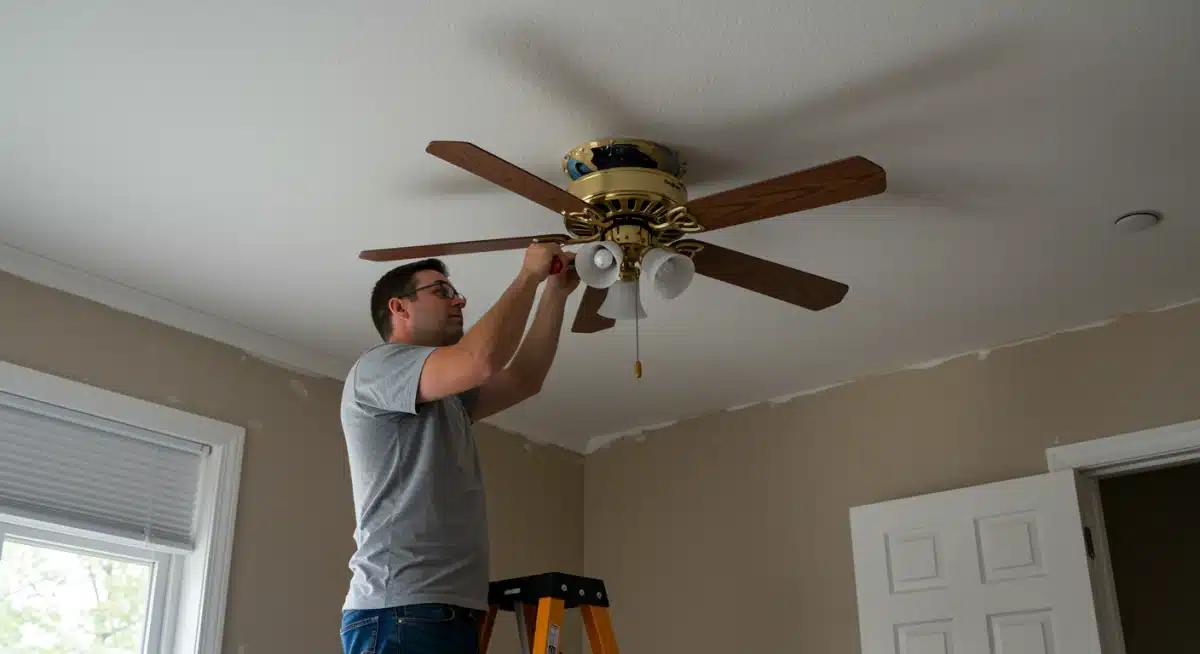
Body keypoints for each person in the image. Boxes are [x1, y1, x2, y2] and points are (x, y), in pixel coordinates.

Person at [338, 242, 579, 654]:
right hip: (400, 609)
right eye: (441, 291)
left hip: (445, 609)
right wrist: (528, 276)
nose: (459, 300)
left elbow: (523, 378)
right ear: (399, 308)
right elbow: (480, 360)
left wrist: (555, 292)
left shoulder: (446, 398)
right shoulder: (378, 368)